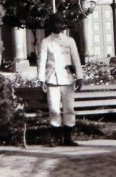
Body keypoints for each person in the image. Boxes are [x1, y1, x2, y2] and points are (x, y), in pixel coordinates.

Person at [38, 17, 84, 146]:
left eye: (60, 23)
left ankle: (68, 138)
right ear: (51, 25)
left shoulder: (69, 41)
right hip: (52, 79)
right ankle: (56, 138)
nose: (58, 25)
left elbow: (76, 59)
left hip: (67, 79)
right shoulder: (46, 42)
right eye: (55, 22)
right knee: (54, 108)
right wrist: (41, 80)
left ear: (63, 25)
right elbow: (42, 62)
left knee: (69, 108)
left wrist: (79, 77)